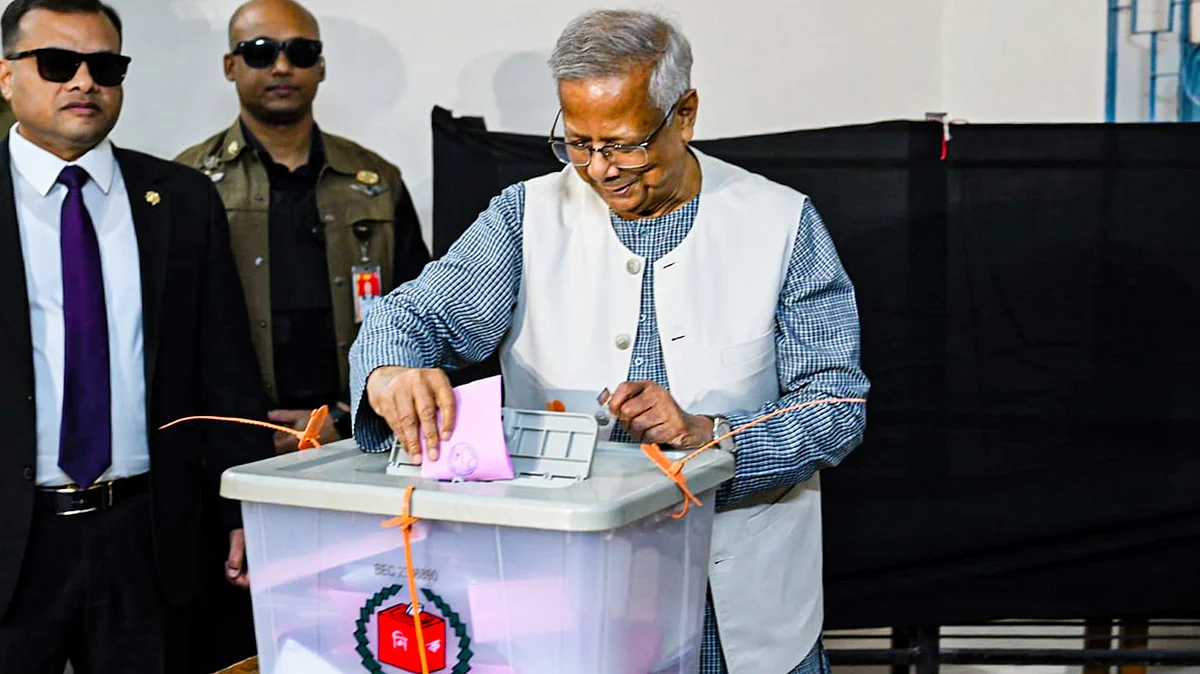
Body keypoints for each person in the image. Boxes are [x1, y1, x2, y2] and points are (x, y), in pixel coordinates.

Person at [350, 9, 870, 674]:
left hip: (737, 604)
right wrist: (391, 370)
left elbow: (835, 405)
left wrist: (711, 437)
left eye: (623, 145)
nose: (599, 170)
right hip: (565, 592)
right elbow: (411, 316)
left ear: (684, 114)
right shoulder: (525, 217)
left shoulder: (780, 223)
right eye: (577, 143)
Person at [0, 0, 273, 672]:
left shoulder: (180, 198)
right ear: (6, 76)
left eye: (105, 66)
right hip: (14, 538)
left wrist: (241, 507)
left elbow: (224, 366)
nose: (83, 81)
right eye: (57, 63)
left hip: (150, 535)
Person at [176, 0, 430, 455]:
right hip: (230, 440)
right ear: (230, 66)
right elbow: (173, 330)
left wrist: (347, 418)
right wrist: (238, 430)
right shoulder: (188, 182)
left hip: (357, 435)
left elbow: (417, 311)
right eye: (260, 51)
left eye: (301, 52)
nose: (282, 67)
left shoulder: (375, 181)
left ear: (321, 66)